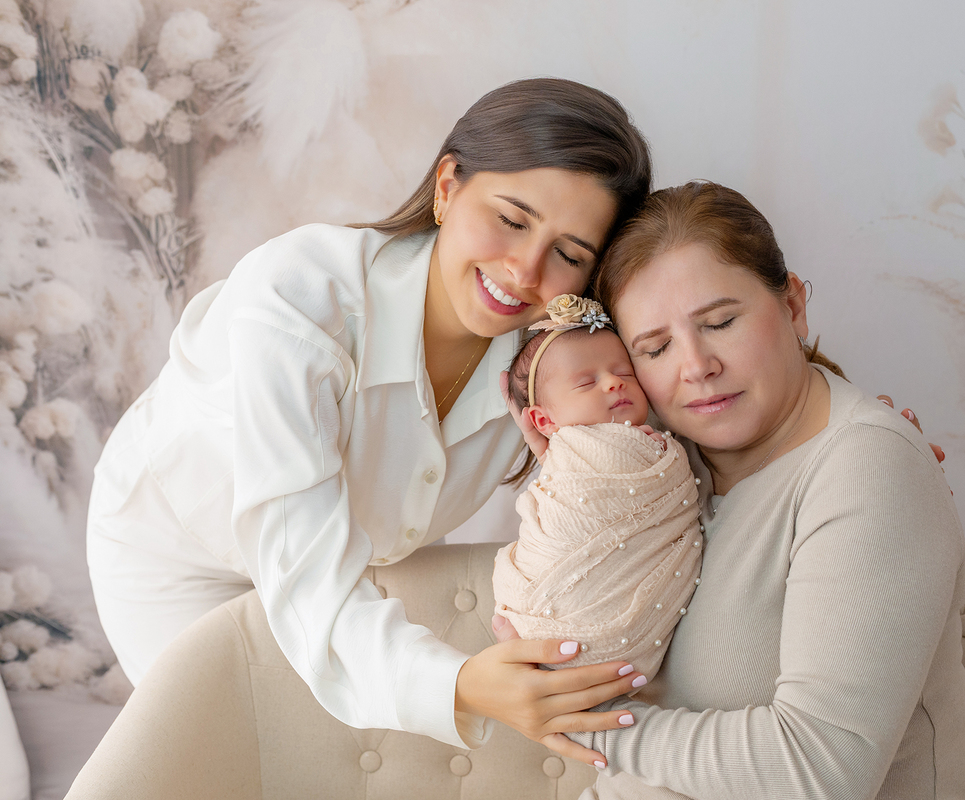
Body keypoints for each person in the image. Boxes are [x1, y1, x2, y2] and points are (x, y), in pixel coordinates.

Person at [84, 77, 655, 764]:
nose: (525, 269)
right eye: (512, 219)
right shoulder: (300, 299)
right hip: (178, 555)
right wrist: (457, 685)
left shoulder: (551, 369)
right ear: (447, 186)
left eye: (568, 253)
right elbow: (304, 568)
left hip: (348, 574)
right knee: (240, 759)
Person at [502, 181, 965, 797]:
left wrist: (582, 719)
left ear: (793, 304)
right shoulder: (662, 463)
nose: (696, 366)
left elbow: (821, 771)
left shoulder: (866, 470)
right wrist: (580, 471)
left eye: (720, 322)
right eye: (655, 348)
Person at [492, 294, 702, 684]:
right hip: (544, 604)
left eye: (625, 373)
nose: (613, 383)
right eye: (587, 382)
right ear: (543, 420)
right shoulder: (569, 460)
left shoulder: (666, 444)